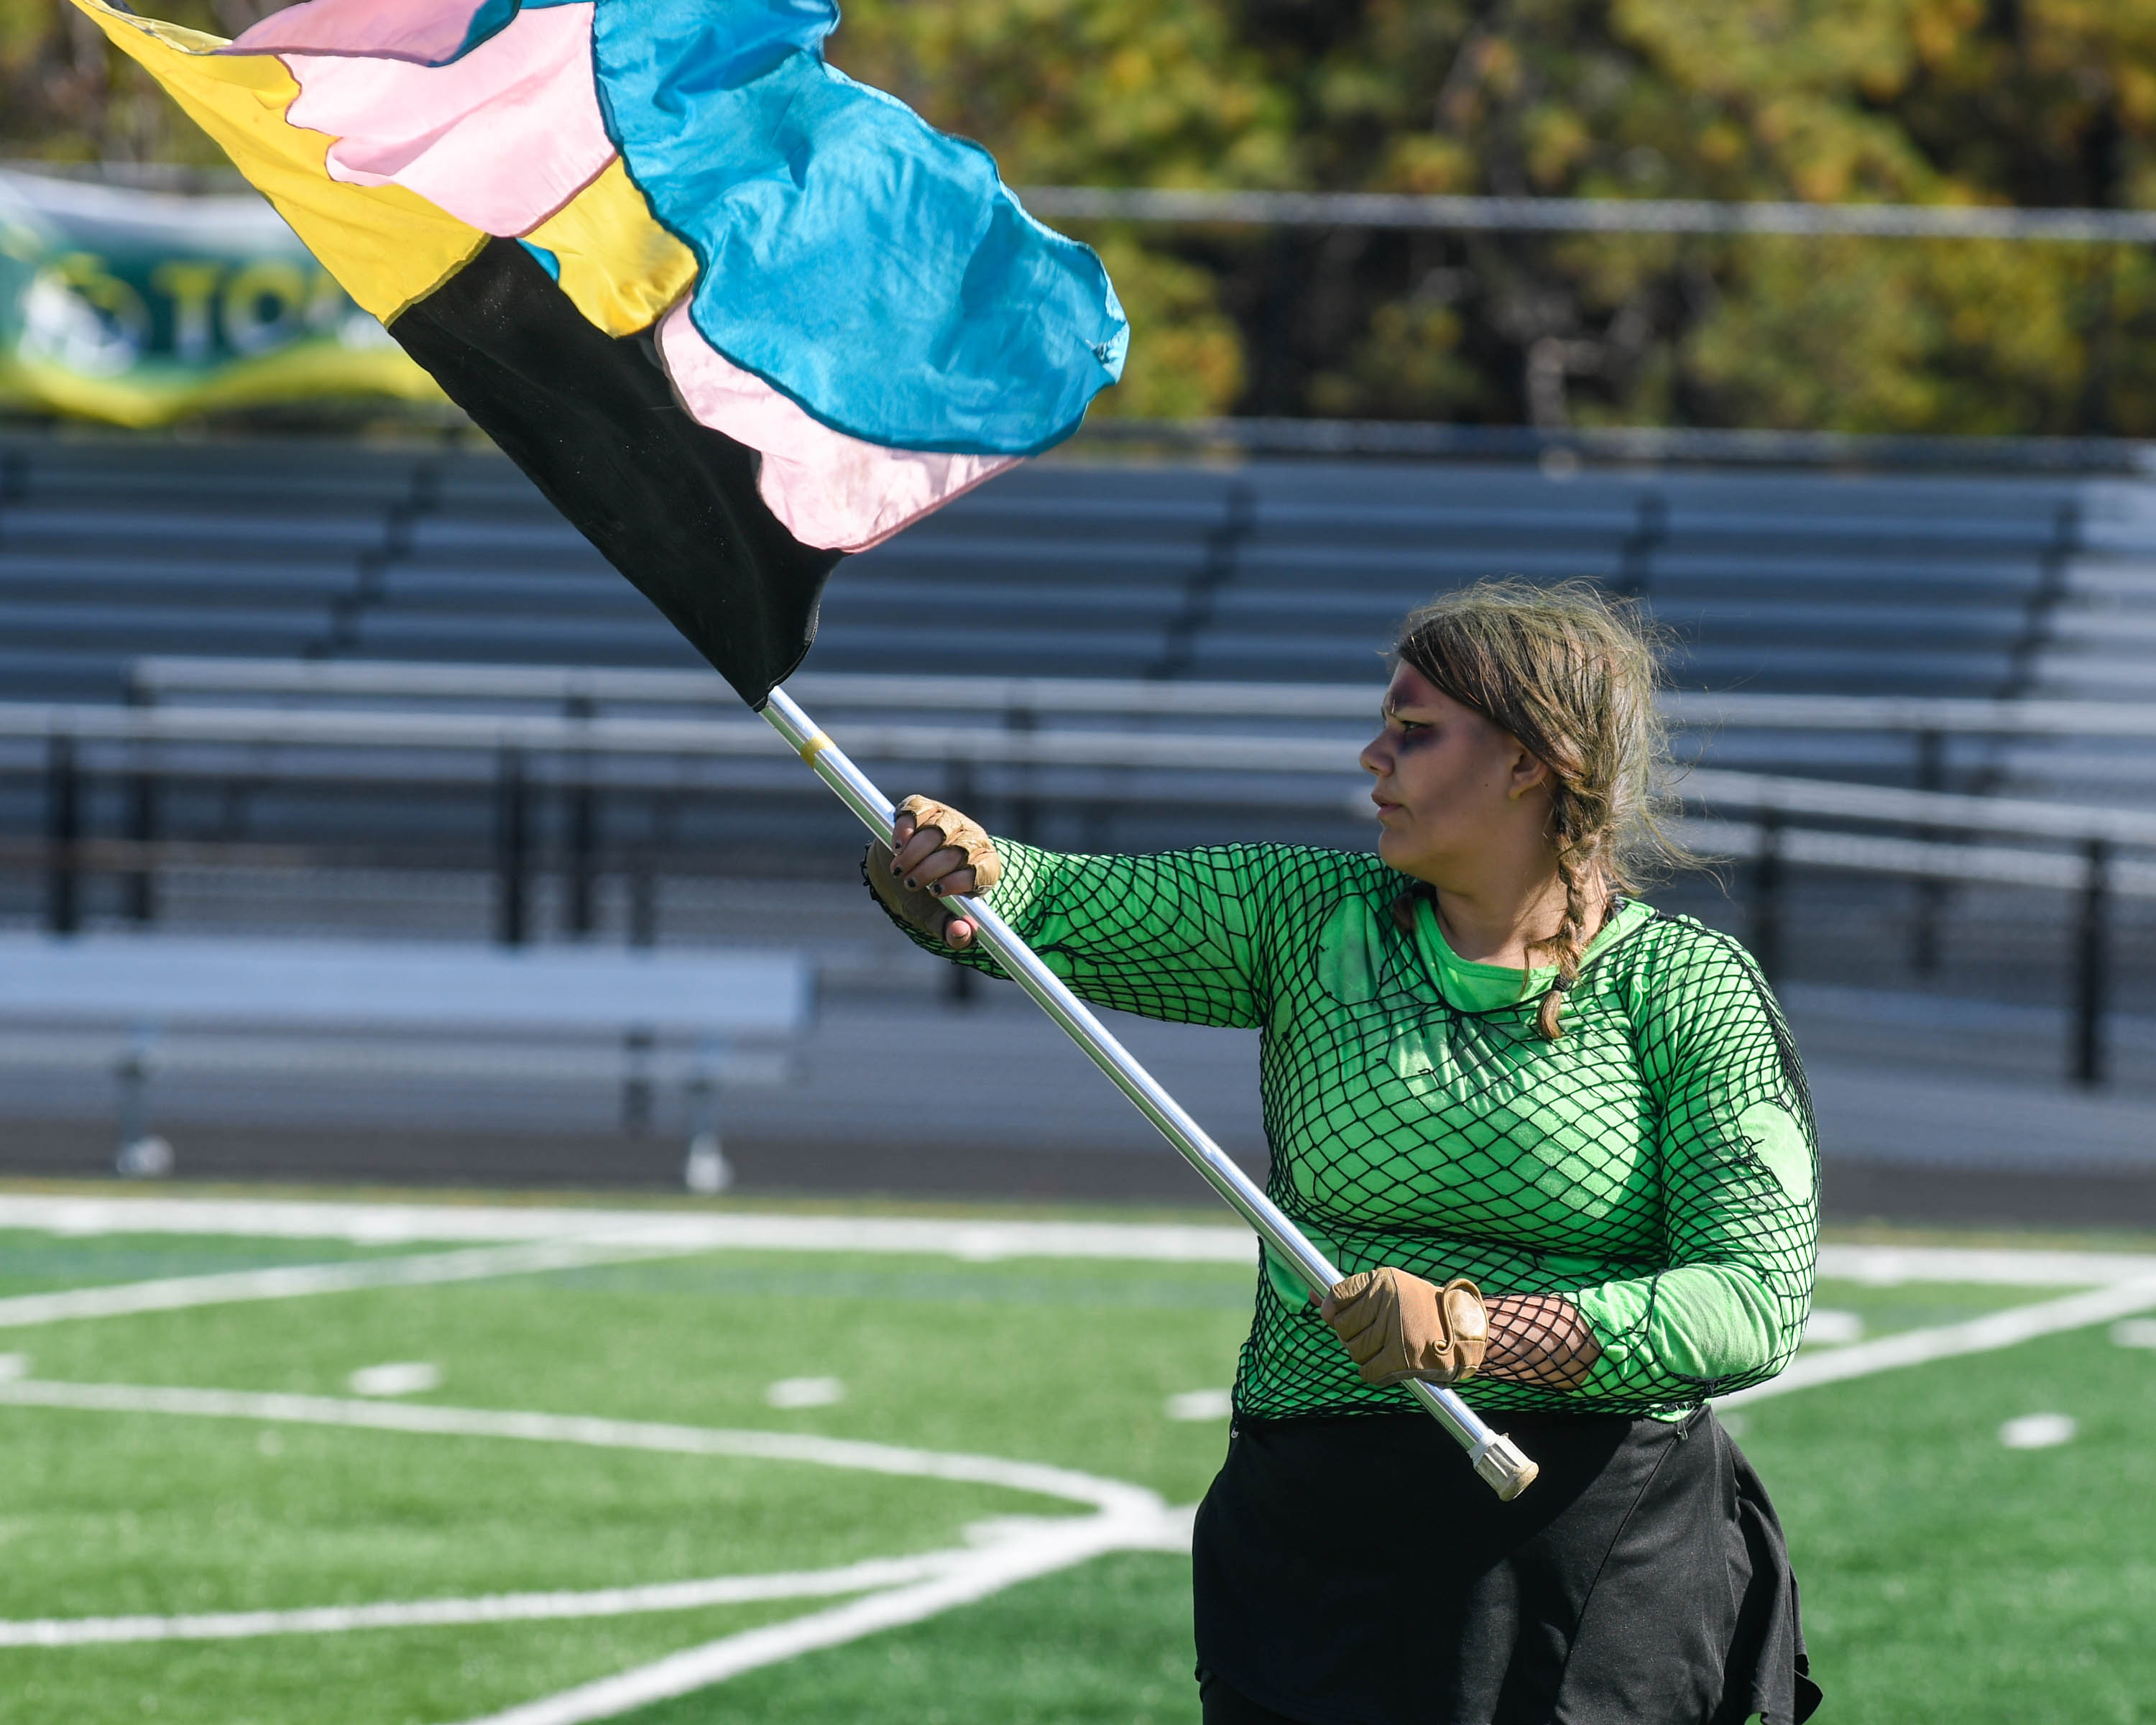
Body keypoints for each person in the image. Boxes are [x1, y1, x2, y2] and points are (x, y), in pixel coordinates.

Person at [865, 579, 1821, 1725]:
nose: (1375, 759)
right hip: (1311, 1555)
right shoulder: (1306, 917)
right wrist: (958, 869)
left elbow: (1755, 1301)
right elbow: (1057, 902)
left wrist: (1480, 1330)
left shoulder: (1691, 987)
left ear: (1532, 761)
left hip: (1596, 1568)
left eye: (1414, 731)